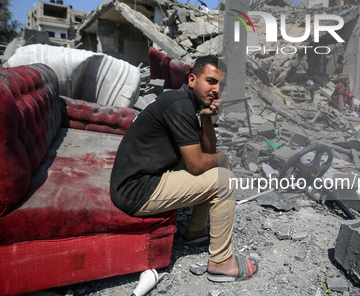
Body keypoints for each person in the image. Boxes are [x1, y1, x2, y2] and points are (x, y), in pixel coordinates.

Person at [110, 55, 258, 282]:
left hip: (144, 177)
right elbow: (198, 165)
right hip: (136, 191)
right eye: (211, 81)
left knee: (214, 167)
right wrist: (224, 159)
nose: (217, 90)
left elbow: (207, 153)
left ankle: (196, 232)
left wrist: (207, 118)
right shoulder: (180, 105)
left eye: (222, 85)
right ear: (192, 80)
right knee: (224, 179)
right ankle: (220, 262)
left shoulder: (188, 104)